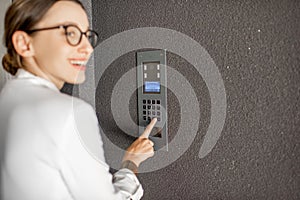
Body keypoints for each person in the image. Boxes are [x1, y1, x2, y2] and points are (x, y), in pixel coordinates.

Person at [0, 0, 156, 199]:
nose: (88, 49)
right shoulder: (68, 113)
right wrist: (131, 162)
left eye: (87, 35)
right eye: (70, 33)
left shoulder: (8, 98)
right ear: (24, 43)